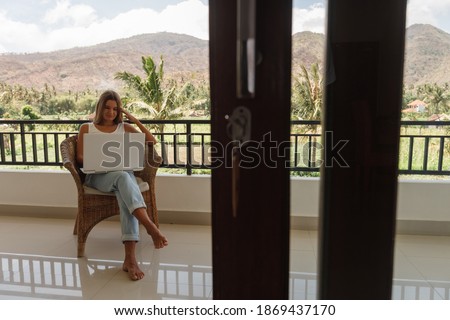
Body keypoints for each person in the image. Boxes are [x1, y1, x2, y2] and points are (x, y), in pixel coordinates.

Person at [76, 90, 168, 281]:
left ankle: (130, 259)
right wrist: (103, 159)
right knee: (124, 178)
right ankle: (149, 226)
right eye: (107, 108)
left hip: (122, 177)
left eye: (115, 109)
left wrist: (131, 118)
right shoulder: (86, 128)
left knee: (124, 182)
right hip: (98, 177)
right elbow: (80, 157)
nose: (111, 112)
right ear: (100, 107)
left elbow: (151, 141)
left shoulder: (124, 127)